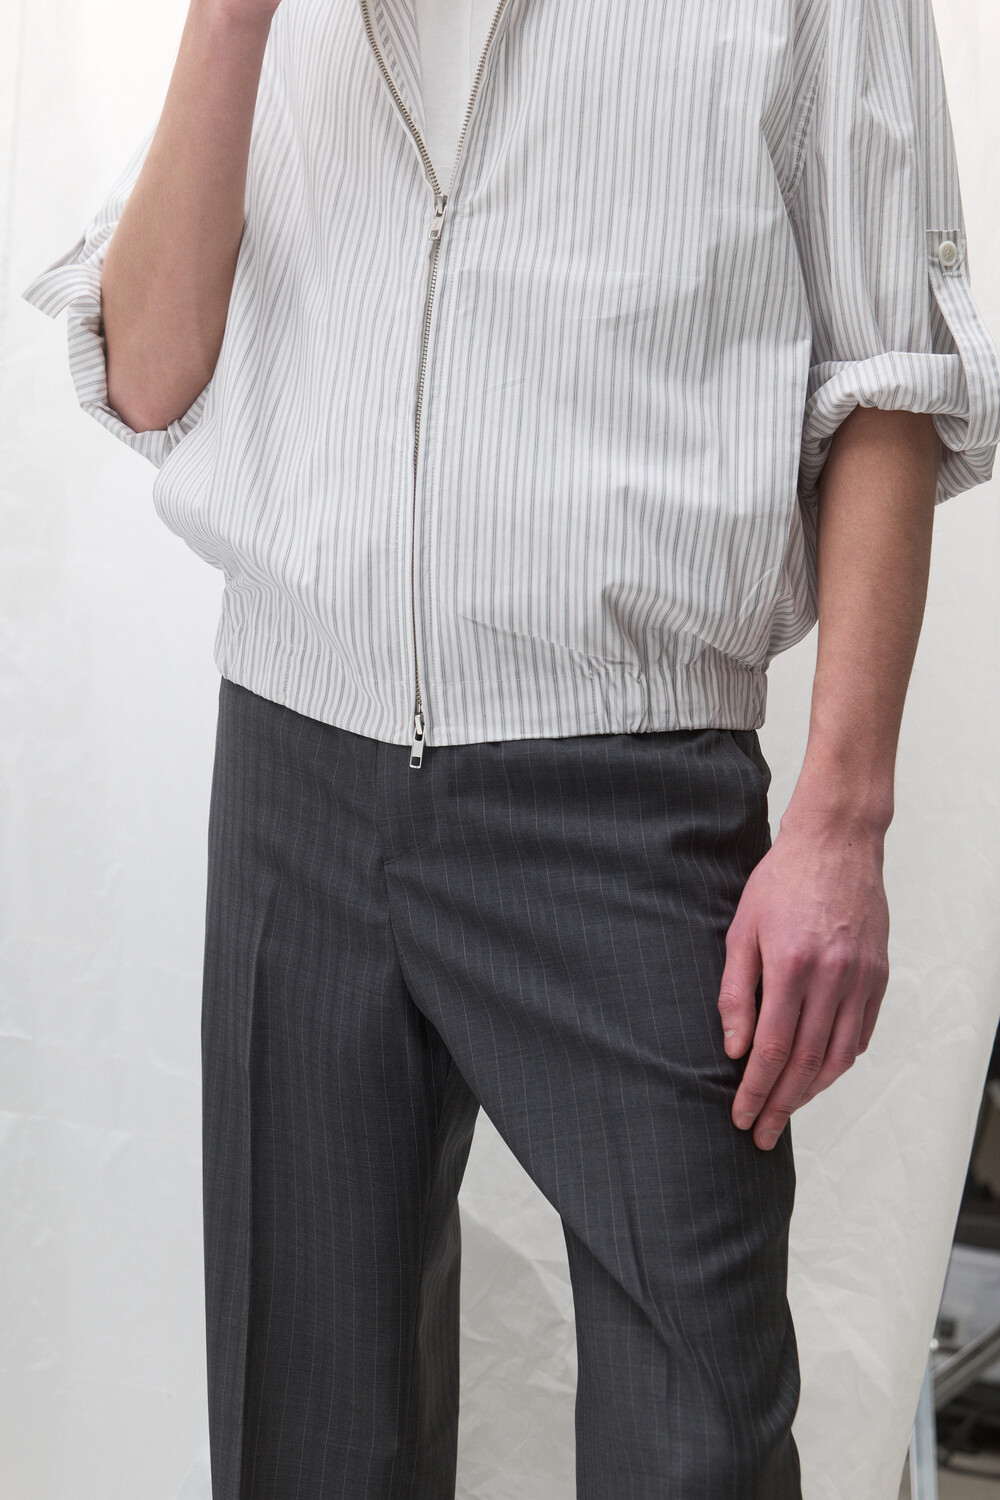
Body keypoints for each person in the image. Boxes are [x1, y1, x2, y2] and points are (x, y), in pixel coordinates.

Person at [21, 0, 1000, 1493]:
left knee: (697, 1443)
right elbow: (150, 371)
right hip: (295, 769)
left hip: (629, 791)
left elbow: (890, 378)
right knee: (306, 1438)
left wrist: (842, 821)